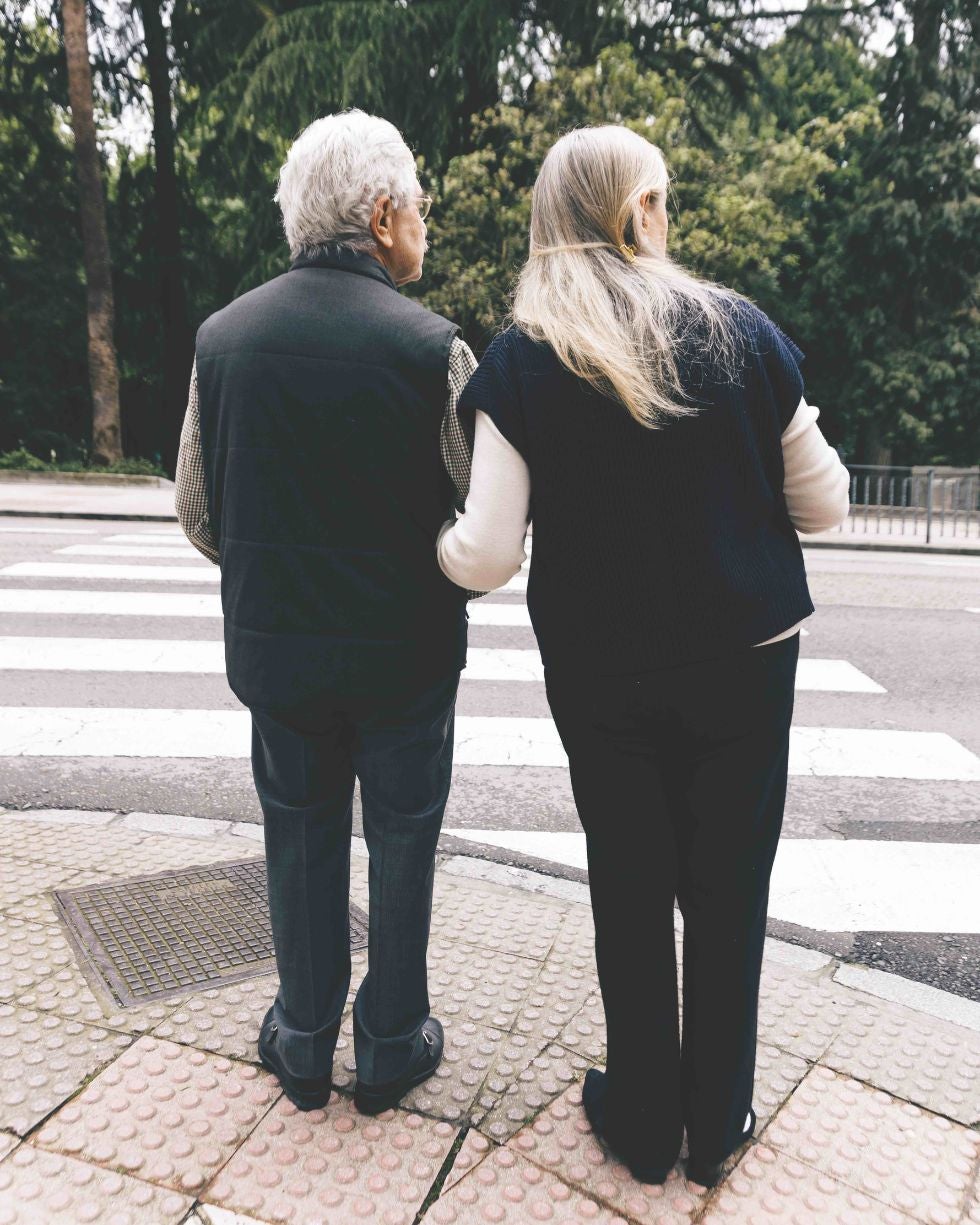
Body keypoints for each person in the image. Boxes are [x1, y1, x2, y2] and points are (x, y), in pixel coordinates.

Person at [437, 125, 850, 1189]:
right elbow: (824, 503)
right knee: (727, 891)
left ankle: (639, 1122)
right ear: (634, 213)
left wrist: (428, 546)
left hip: (604, 672)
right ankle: (717, 1121)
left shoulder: (522, 358)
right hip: (744, 659)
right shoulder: (742, 333)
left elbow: (484, 553)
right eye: (658, 200)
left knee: (628, 885)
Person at [175, 109, 484, 1116]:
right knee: (401, 838)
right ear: (383, 214)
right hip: (405, 657)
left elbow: (200, 511)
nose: (424, 224)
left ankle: (302, 1037)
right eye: (421, 206)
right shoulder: (433, 348)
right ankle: (390, 1041)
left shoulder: (223, 341)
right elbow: (476, 514)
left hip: (280, 654)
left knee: (298, 831)